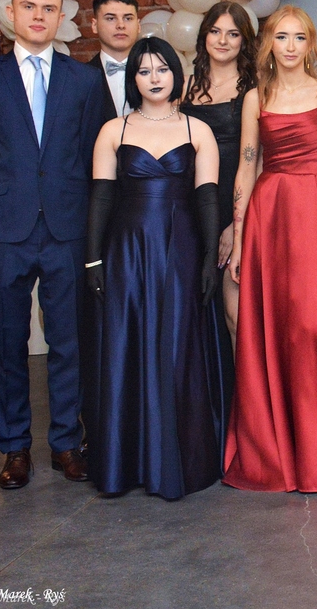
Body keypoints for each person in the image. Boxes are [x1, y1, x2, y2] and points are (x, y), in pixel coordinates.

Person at [0, 0, 105, 490]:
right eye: (29, 7)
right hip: (6, 227)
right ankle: (14, 447)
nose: (39, 16)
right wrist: (11, 193)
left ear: (61, 17)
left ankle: (66, 442)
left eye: (48, 8)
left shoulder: (84, 81)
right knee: (8, 341)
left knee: (69, 339)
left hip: (66, 224)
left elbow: (94, 152)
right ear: (11, 14)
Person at [224, 6, 317, 492]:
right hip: (268, 216)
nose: (290, 47)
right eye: (281, 37)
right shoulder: (256, 98)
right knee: (273, 327)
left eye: (299, 38)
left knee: (315, 327)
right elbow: (247, 167)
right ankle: (275, 447)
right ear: (269, 43)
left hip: (315, 211)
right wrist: (240, 239)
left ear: (310, 44)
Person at [84, 37, 228, 499]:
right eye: (144, 71)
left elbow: (208, 199)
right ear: (134, 79)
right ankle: (128, 463)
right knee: (128, 344)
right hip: (127, 250)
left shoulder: (197, 129)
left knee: (177, 345)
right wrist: (93, 258)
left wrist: (209, 259)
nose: (154, 78)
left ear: (175, 75)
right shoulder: (114, 129)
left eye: (162, 69)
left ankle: (177, 461)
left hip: (181, 249)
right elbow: (101, 198)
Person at [181, 1, 257, 347]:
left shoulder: (255, 89)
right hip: (190, 207)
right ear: (204, 36)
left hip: (237, 205)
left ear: (244, 41)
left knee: (236, 314)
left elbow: (260, 160)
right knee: (193, 310)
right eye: (215, 31)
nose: (223, 41)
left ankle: (244, 384)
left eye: (233, 34)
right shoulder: (183, 87)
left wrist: (235, 225)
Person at [87, 0, 141, 121]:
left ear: (138, 25)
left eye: (128, 18)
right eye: (111, 18)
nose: (121, 25)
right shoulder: (79, 78)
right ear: (94, 25)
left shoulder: (158, 74)